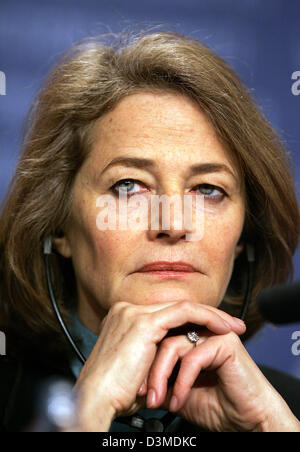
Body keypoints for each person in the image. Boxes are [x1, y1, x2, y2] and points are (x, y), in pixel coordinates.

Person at [0, 30, 300, 432]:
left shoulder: (287, 410)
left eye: (208, 190)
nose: (173, 225)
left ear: (245, 235)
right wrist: (87, 412)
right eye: (128, 187)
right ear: (58, 226)